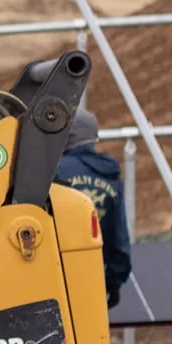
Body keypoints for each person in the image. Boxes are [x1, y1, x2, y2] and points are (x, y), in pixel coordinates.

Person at [55, 106, 132, 307]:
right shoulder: (110, 175)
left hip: (54, 278)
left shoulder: (53, 172)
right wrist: (113, 283)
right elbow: (119, 238)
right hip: (92, 281)